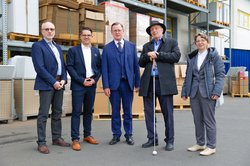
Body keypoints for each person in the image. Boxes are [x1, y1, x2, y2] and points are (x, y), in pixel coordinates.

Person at [139, 20, 181, 151]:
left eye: (156, 28)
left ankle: (170, 140)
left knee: (168, 113)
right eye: (152, 30)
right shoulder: (147, 46)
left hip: (165, 83)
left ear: (162, 30)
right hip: (149, 82)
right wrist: (147, 56)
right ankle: (152, 138)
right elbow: (140, 62)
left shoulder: (171, 42)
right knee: (149, 112)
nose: (154, 31)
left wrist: (158, 55)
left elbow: (176, 56)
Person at [181, 33, 225, 156]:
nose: (200, 43)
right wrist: (185, 92)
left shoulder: (213, 56)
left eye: (203, 40)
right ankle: (200, 143)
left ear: (207, 42)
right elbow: (188, 76)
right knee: (197, 119)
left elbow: (221, 74)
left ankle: (211, 146)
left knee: (209, 120)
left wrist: (216, 91)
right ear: (195, 43)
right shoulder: (192, 58)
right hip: (194, 92)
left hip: (208, 92)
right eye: (198, 41)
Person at [31, 21, 70, 154]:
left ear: (54, 31)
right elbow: (39, 68)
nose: (49, 31)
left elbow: (63, 66)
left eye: (52, 29)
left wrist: (64, 79)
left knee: (57, 112)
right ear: (42, 31)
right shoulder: (37, 46)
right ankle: (41, 142)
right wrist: (54, 82)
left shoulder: (57, 47)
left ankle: (56, 138)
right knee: (43, 114)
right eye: (46, 29)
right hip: (47, 84)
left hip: (60, 84)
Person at [102, 22, 140, 145]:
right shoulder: (107, 48)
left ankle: (129, 135)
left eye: (119, 30)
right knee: (115, 111)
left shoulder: (131, 46)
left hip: (128, 84)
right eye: (115, 30)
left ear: (123, 31)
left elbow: (136, 66)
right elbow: (104, 69)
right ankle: (116, 135)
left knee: (128, 111)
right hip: (113, 86)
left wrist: (137, 84)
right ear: (112, 32)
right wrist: (106, 86)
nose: (117, 32)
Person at [66, 27, 101, 151]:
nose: (86, 37)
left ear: (92, 37)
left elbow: (99, 68)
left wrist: (94, 80)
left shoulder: (96, 51)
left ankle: (87, 135)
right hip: (78, 85)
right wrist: (81, 80)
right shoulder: (73, 51)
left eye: (89, 35)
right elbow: (70, 67)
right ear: (80, 36)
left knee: (88, 111)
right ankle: (75, 139)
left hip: (91, 84)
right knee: (76, 111)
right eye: (84, 35)